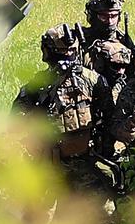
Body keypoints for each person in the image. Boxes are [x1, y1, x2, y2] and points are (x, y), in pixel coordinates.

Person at [13, 24, 118, 194]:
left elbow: (109, 117)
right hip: (48, 168)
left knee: (102, 214)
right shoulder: (37, 86)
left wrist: (105, 150)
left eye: (71, 51)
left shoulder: (92, 80)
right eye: (62, 52)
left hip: (84, 162)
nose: (68, 57)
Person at [80, 0, 135, 91]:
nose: (110, 21)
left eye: (113, 16)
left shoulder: (123, 40)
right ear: (93, 16)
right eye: (104, 17)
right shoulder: (82, 38)